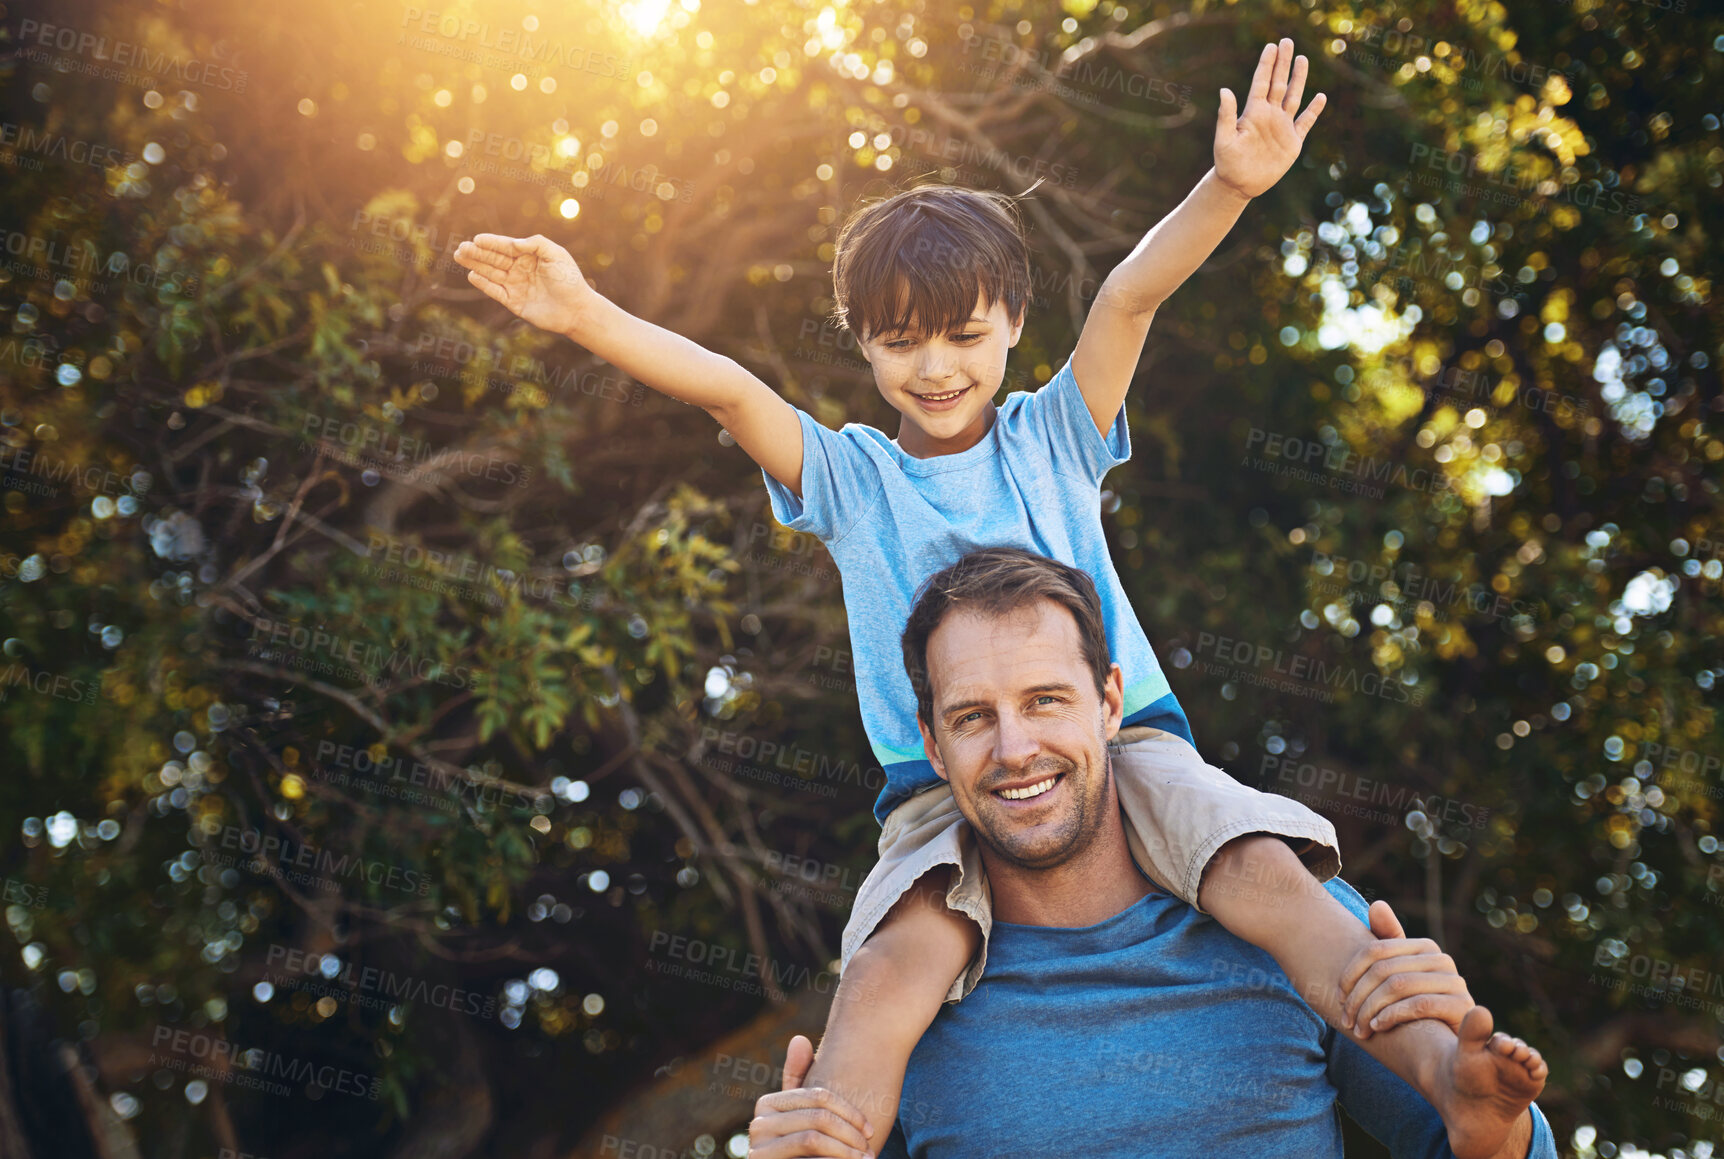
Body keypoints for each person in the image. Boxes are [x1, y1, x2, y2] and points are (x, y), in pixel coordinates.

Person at [452, 38, 1535, 1156]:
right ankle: (830, 1135)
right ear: (861, 343)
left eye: (963, 335)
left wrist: (1230, 184)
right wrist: (583, 313)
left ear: (1013, 318)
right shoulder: (852, 480)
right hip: (934, 792)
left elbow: (1127, 295)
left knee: (1253, 871)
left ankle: (1426, 1057)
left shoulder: (1052, 439)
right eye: (897, 342)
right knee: (893, 961)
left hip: (1128, 751)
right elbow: (728, 389)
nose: (933, 367)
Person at [747, 548, 1552, 1158]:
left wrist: (1498, 1137)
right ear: (931, 742)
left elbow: (1468, 1129)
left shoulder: (1288, 919)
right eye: (972, 718)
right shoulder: (908, 991)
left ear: (1107, 703)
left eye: (1045, 700)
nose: (1015, 747)